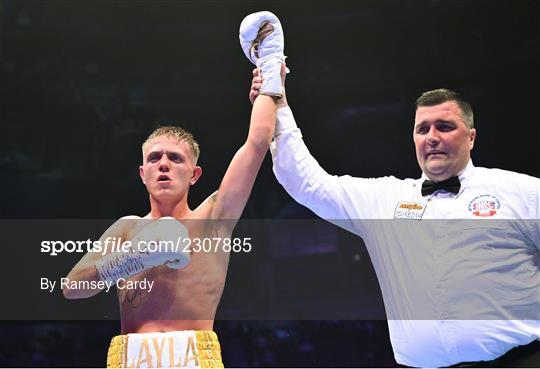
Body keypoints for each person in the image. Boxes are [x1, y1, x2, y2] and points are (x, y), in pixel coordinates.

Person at [246, 12, 539, 368]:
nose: (431, 137)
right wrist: (274, 96)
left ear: (471, 136)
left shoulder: (520, 191)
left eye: (445, 126)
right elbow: (306, 183)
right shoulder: (387, 200)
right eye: (422, 129)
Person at [62, 15, 286, 368]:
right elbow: (71, 287)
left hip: (194, 358)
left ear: (195, 174)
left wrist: (271, 70)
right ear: (142, 173)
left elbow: (257, 143)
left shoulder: (214, 219)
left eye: (175, 158)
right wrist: (132, 258)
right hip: (131, 358)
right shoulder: (127, 229)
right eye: (154, 158)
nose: (163, 163)